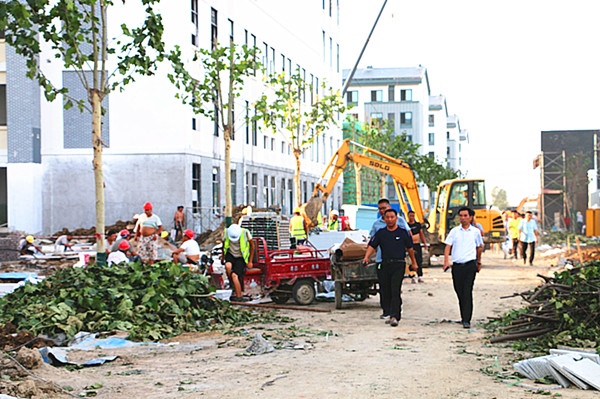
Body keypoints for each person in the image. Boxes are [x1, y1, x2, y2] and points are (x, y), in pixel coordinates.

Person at [363, 209, 418, 327]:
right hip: (384, 264)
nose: (390, 219)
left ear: (396, 218)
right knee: (385, 290)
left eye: (392, 217)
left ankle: (395, 316)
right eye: (387, 217)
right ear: (384, 219)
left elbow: (410, 249)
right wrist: (367, 257)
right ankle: (389, 312)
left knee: (395, 289)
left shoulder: (403, 232)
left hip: (398, 264)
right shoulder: (381, 233)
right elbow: (372, 246)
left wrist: (414, 263)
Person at [369, 198, 411, 319]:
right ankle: (386, 311)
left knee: (395, 287)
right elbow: (372, 242)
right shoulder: (377, 224)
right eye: (380, 209)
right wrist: (367, 256)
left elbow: (408, 237)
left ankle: (395, 312)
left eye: (385, 208)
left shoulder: (401, 221)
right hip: (381, 260)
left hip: (398, 260)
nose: (383, 211)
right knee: (384, 287)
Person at [443, 207, 484, 329]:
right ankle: (463, 316)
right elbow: (447, 246)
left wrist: (479, 262)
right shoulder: (454, 231)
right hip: (457, 266)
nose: (463, 218)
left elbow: (479, 247)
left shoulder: (475, 232)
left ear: (470, 217)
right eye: (461, 215)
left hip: (470, 265)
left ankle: (467, 319)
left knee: (467, 291)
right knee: (459, 291)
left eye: (465, 215)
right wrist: (446, 261)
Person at [222, 224, 255, 301]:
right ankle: (232, 284)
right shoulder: (226, 232)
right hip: (231, 254)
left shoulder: (245, 232)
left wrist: (250, 261)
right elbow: (224, 245)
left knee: (234, 275)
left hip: (241, 256)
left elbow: (252, 246)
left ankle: (239, 296)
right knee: (228, 266)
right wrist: (223, 257)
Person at [407, 210, 428, 283]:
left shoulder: (418, 225)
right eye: (410, 216)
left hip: (417, 245)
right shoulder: (406, 225)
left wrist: (424, 243)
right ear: (408, 216)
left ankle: (420, 276)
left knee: (419, 261)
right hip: (410, 245)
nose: (411, 217)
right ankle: (412, 277)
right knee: (411, 261)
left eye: (413, 216)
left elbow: (421, 234)